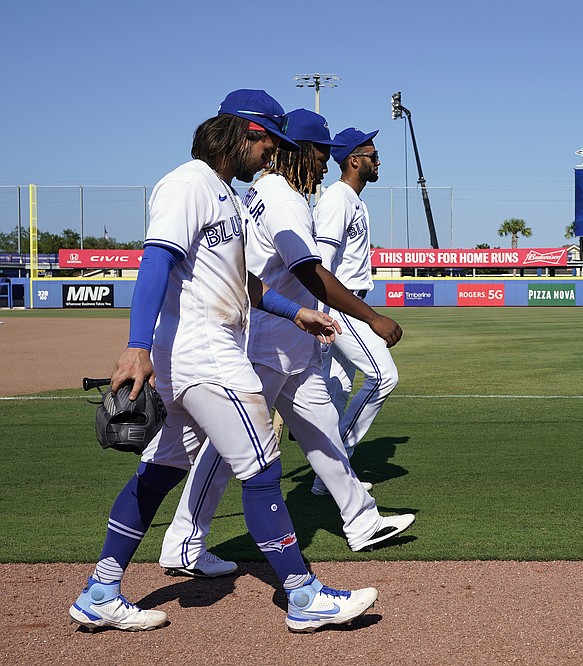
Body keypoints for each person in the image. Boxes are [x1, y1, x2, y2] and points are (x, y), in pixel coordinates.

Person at [70, 90, 378, 633]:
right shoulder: (188, 183)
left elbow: (244, 281)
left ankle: (101, 588)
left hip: (196, 355)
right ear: (246, 133)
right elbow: (156, 261)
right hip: (204, 353)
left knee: (161, 470)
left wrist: (294, 312)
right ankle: (303, 595)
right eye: (269, 143)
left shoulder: (227, 197)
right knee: (261, 467)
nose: (272, 155)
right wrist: (136, 345)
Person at [158, 110, 412, 572]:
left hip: (287, 338)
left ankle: (362, 520)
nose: (324, 162)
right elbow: (308, 271)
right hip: (268, 341)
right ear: (301, 151)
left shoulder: (266, 191)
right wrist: (371, 317)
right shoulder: (284, 199)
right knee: (226, 449)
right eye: (320, 153)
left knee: (323, 431)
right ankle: (184, 544)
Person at [311, 127, 400, 495]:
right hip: (341, 305)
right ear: (354, 160)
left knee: (338, 390)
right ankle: (337, 469)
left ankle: (324, 481)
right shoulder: (337, 199)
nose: (378, 162)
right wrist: (320, 316)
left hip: (352, 302)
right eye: (373, 156)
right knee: (383, 376)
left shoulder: (356, 201)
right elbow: (320, 265)